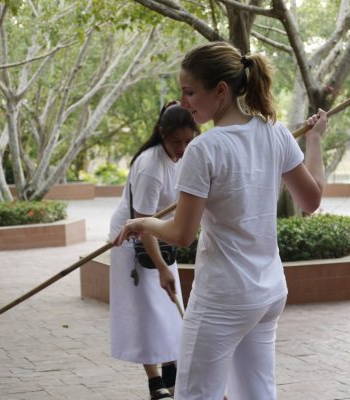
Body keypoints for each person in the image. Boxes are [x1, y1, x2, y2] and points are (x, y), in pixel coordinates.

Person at [113, 41, 327, 400]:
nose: (184, 103)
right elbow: (312, 200)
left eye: (190, 92)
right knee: (257, 393)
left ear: (221, 90)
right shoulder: (274, 132)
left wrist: (142, 224)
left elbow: (181, 233)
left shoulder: (204, 148)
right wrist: (316, 141)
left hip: (223, 297)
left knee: (195, 395)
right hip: (268, 291)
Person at [108, 100, 199, 400]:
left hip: (161, 234)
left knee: (168, 304)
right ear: (161, 133)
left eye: (188, 141)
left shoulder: (184, 156)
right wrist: (161, 268)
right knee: (146, 309)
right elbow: (141, 224)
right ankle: (155, 382)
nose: (182, 148)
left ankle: (173, 368)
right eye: (176, 141)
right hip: (132, 240)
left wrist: (164, 263)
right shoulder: (149, 166)